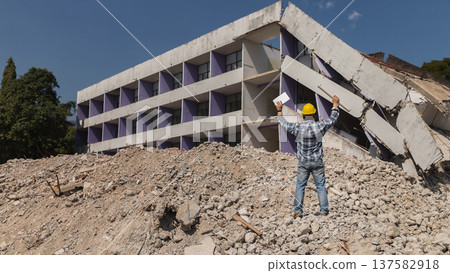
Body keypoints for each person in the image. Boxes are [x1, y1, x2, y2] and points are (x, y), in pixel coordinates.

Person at [276, 95, 340, 218]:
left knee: (300, 185)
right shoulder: (320, 126)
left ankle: (298, 210)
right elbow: (333, 119)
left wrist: (279, 110)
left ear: (303, 116)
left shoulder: (298, 127)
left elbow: (283, 123)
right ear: (314, 115)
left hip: (303, 162)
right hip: (317, 161)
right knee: (320, 186)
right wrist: (335, 105)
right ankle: (324, 210)